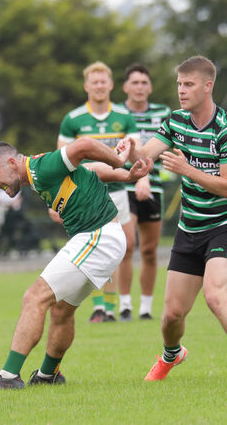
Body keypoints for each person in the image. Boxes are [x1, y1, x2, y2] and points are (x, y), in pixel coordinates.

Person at [126, 55, 227, 381]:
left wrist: (187, 170)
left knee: (215, 296)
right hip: (189, 228)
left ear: (208, 86)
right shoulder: (175, 121)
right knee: (171, 316)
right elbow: (146, 157)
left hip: (225, 226)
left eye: (188, 84)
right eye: (179, 84)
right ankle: (171, 355)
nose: (181, 90)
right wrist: (130, 149)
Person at [0, 136, 152, 389]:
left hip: (98, 235)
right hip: (102, 237)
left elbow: (83, 145)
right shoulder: (36, 174)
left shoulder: (41, 167)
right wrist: (125, 176)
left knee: (34, 298)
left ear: (11, 162)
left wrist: (117, 160)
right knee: (61, 309)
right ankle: (48, 375)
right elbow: (88, 170)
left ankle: (8, 377)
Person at [58, 61, 140, 323]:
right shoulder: (73, 119)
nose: (99, 85)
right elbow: (62, 160)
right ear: (86, 86)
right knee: (92, 248)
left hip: (118, 188)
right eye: (94, 81)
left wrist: (142, 177)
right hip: (87, 194)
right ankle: (99, 308)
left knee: (124, 247)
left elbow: (135, 151)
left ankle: (120, 305)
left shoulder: (123, 117)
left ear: (111, 84)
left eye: (103, 81)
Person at [119, 63, 172, 321]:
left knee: (150, 250)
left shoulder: (163, 113)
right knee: (127, 245)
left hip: (155, 186)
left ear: (149, 87)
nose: (139, 87)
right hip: (124, 185)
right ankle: (125, 304)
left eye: (144, 83)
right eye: (135, 83)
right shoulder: (117, 114)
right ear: (126, 87)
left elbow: (170, 145)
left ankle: (146, 308)